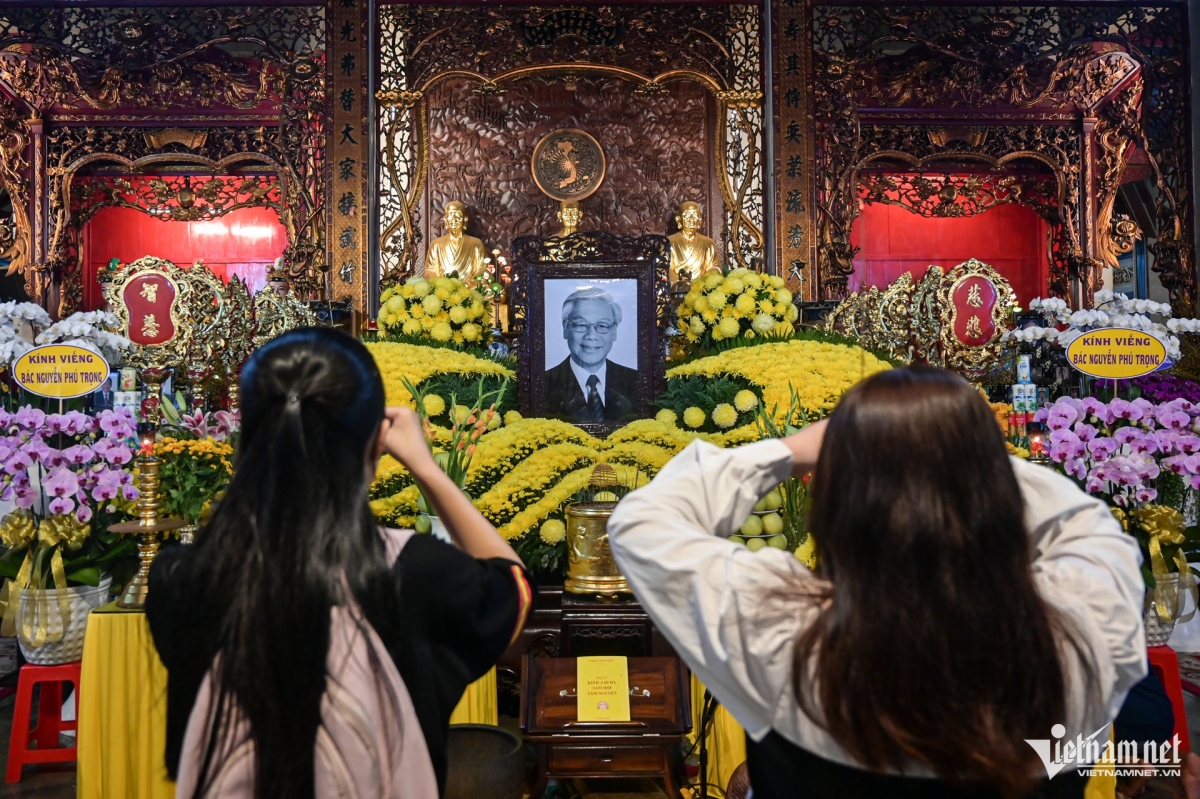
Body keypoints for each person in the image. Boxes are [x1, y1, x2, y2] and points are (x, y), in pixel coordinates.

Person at [608, 366, 1146, 799]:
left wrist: (796, 448)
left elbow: (642, 523)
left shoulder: (783, 635)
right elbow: (1088, 526)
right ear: (997, 499)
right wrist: (959, 454)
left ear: (837, 509)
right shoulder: (1083, 634)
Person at [146, 328, 533, 799]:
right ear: (375, 446)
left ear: (246, 433)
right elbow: (513, 588)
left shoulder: (180, 579)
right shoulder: (411, 573)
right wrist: (427, 468)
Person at [545, 286, 637, 423]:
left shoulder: (637, 382)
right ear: (565, 328)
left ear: (614, 331)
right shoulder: (543, 384)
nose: (591, 336)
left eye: (603, 326)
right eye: (581, 325)